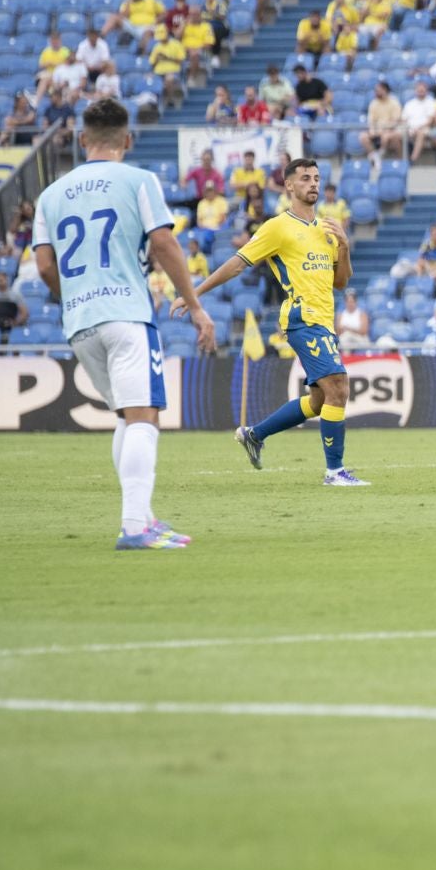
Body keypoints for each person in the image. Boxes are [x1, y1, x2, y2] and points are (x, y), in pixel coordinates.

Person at [31, 99, 216, 549]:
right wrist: (194, 305)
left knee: (127, 416)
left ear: (81, 139)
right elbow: (164, 243)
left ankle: (144, 518)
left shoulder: (50, 194)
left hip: (80, 322)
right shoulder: (139, 180)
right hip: (127, 313)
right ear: (127, 140)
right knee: (144, 418)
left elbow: (42, 263)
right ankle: (134, 526)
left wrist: (71, 296)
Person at [178, 157, 366, 486]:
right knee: (339, 386)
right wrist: (194, 295)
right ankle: (335, 472)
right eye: (305, 178)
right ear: (289, 185)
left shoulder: (327, 229)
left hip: (324, 319)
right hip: (302, 316)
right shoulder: (277, 226)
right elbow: (237, 264)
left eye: (317, 178)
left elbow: (342, 282)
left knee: (322, 400)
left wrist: (346, 247)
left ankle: (255, 434)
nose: (313, 184)